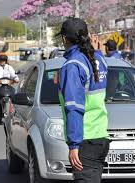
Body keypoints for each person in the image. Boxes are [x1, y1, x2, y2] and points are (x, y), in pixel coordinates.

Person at [57, 18, 110, 183]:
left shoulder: (73, 65)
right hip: (100, 137)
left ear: (65, 39)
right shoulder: (99, 60)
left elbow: (74, 108)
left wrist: (74, 145)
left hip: (84, 141)